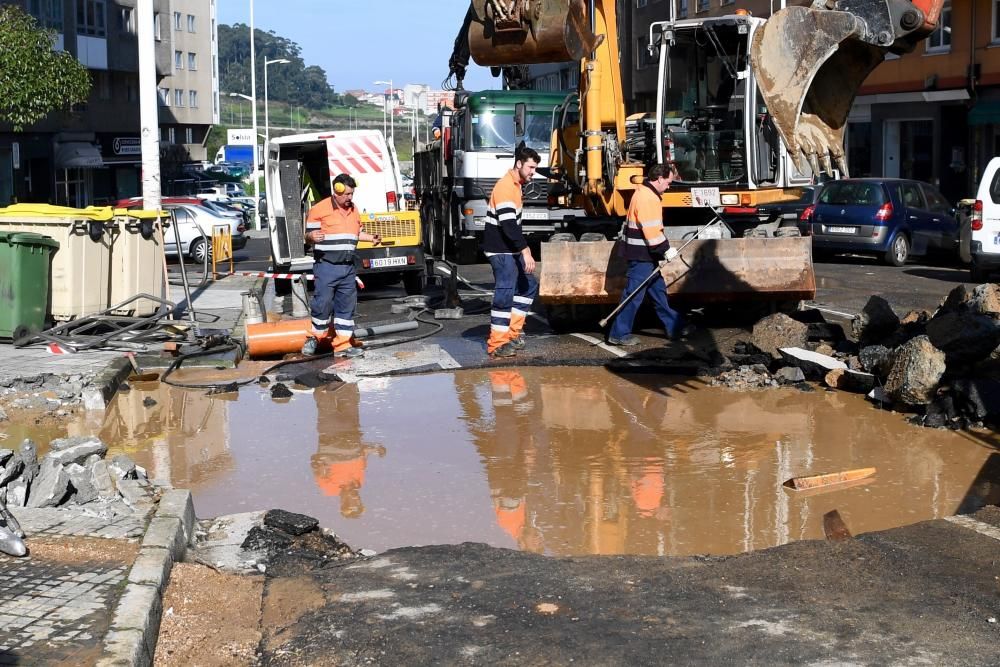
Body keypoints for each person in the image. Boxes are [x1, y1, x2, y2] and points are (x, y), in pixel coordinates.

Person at [607, 163, 690, 346]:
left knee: (658, 292)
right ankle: (619, 334)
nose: (669, 186)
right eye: (668, 182)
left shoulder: (644, 192)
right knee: (633, 295)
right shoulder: (648, 198)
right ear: (659, 179)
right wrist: (665, 249)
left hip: (644, 254)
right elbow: (651, 230)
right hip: (642, 255)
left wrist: (662, 249)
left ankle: (675, 326)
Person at [301, 173, 381, 357]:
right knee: (322, 303)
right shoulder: (319, 210)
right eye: (346, 194)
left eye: (352, 194)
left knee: (346, 306)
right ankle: (314, 339)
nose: (350, 198)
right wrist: (311, 237)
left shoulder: (354, 210)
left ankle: (343, 345)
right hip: (327, 265)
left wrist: (371, 238)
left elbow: (355, 233)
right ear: (336, 192)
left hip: (347, 268)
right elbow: (307, 236)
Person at [483, 144, 540, 358]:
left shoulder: (515, 185)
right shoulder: (506, 187)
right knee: (505, 292)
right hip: (501, 249)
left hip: (508, 249)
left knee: (528, 285)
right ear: (519, 164)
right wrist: (525, 251)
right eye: (531, 167)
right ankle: (497, 343)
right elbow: (509, 226)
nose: (533, 172)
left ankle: (512, 333)